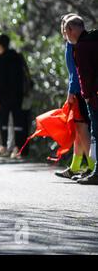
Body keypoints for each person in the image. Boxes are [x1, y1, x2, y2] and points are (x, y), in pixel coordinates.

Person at [55, 14, 94, 179]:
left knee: (82, 128)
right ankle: (75, 166)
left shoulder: (73, 45)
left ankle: (92, 166)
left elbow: (75, 72)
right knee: (79, 130)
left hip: (79, 91)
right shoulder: (76, 42)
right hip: (80, 90)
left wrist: (71, 92)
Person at [64, 15, 98, 185]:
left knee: (95, 133)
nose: (65, 36)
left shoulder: (82, 46)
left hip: (93, 96)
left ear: (71, 30)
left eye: (65, 31)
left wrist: (86, 95)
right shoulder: (93, 40)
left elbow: (84, 74)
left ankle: (95, 170)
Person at [0, 34, 26, 159]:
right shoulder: (17, 56)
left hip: (6, 95)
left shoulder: (1, 59)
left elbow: (2, 81)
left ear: (0, 45)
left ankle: (4, 147)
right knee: (18, 122)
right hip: (18, 94)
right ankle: (17, 149)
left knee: (3, 122)